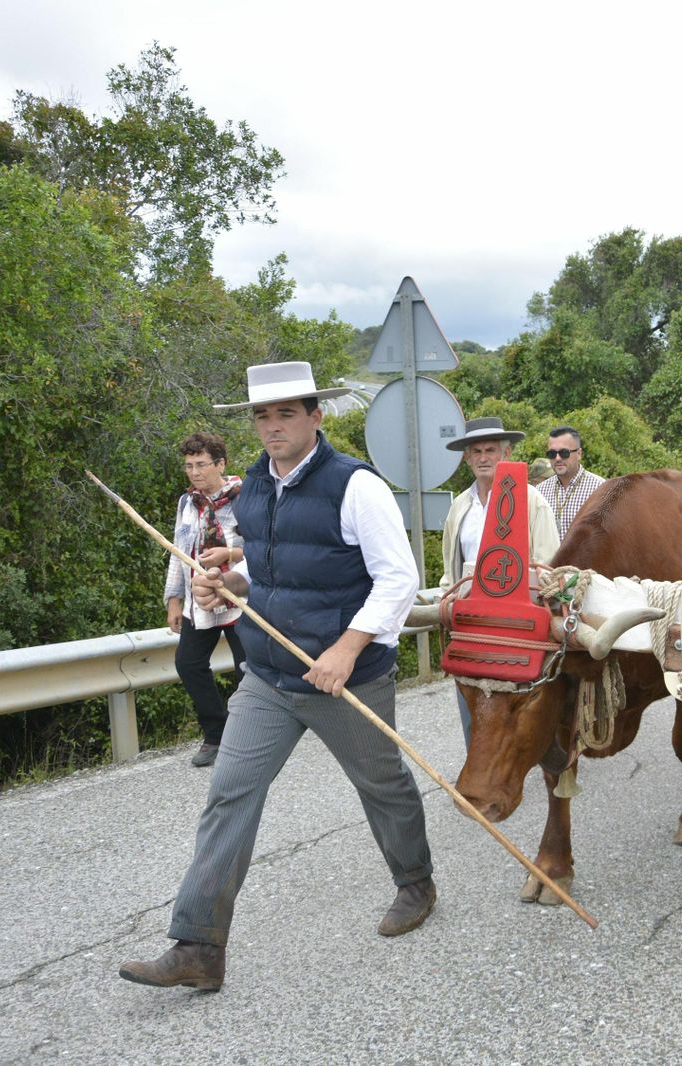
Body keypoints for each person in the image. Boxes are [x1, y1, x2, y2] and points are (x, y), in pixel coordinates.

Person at [120, 362, 436, 992]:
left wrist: (345, 651)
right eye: (262, 416)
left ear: (316, 416)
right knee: (230, 793)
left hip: (345, 679)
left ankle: (415, 883)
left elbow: (399, 579)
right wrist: (229, 583)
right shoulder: (254, 488)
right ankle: (198, 946)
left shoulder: (355, 485)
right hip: (268, 675)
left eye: (286, 413)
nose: (272, 426)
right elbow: (267, 574)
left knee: (383, 785)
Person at [439, 417, 560, 748]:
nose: (482, 457)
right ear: (466, 458)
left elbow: (549, 563)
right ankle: (476, 777)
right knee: (472, 705)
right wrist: (446, 601)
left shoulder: (532, 500)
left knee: (520, 706)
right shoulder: (459, 508)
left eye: (491, 449)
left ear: (506, 453)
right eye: (475, 450)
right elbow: (449, 569)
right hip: (470, 622)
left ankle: (528, 761)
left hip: (516, 625)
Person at [164, 432, 246, 768]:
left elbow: (269, 548)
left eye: (201, 465)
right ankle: (216, 734)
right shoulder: (188, 504)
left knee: (248, 668)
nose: (195, 472)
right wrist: (173, 599)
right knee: (188, 663)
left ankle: (244, 737)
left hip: (240, 595)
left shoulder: (245, 497)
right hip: (201, 598)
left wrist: (229, 552)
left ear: (220, 464)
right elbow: (177, 552)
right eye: (189, 466)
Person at [536, 425, 606, 542]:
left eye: (564, 453)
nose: (557, 458)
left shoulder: (600, 489)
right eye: (552, 454)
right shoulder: (540, 491)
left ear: (579, 453)